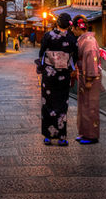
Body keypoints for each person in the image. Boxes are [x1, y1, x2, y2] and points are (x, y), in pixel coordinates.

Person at [36, 12, 77, 146]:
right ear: (69, 25)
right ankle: (62, 137)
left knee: (47, 103)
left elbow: (41, 53)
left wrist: (44, 65)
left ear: (57, 23)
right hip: (63, 75)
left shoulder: (48, 36)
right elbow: (74, 57)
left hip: (49, 74)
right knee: (62, 104)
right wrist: (68, 68)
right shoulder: (72, 38)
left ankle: (48, 136)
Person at [71, 15, 101, 145]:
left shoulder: (88, 41)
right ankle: (84, 132)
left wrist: (89, 78)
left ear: (78, 27)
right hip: (83, 75)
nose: (72, 30)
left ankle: (91, 135)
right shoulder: (83, 39)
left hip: (90, 76)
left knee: (91, 106)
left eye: (73, 28)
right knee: (83, 105)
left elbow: (92, 60)